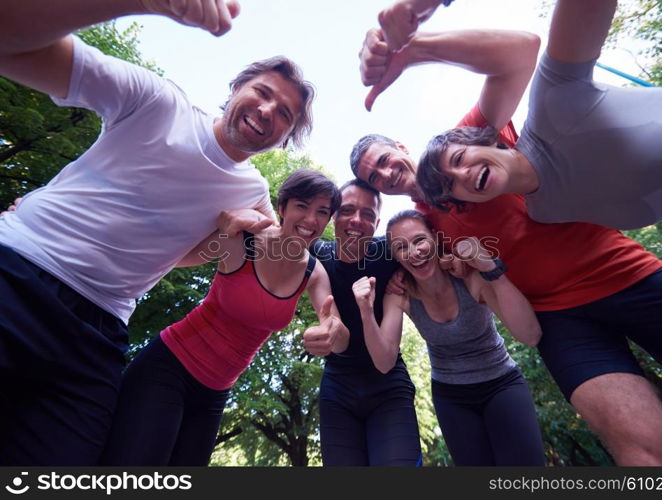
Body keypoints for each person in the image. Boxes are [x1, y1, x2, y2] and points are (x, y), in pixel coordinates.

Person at [351, 0, 662, 465]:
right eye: (375, 177)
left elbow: (520, 53)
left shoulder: (464, 145)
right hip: (560, 321)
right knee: (641, 450)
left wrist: (413, 49)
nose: (386, 173)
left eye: (385, 160)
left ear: (400, 146)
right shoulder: (423, 232)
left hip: (626, 275)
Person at [0, 0, 315, 465]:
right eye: (262, 91)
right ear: (235, 88)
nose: (268, 110)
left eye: (286, 114)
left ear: (285, 136)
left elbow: (214, 252)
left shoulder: (252, 190)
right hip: (20, 271)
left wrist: (225, 238)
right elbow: (10, 40)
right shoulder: (156, 102)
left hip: (99, 331)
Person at [100, 169, 348, 466]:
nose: (311, 219)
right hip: (168, 368)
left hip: (215, 394)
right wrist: (224, 221)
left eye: (322, 211)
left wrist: (331, 332)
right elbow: (173, 256)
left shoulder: (314, 272)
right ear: (282, 207)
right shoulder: (244, 238)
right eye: (302, 206)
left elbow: (338, 332)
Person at [415, 0, 662, 230]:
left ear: (488, 140)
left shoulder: (553, 104)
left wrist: (416, 40)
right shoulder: (545, 213)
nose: (462, 175)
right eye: (450, 184)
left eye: (458, 159)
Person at [352, 210, 545, 465]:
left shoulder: (469, 277)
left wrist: (488, 266)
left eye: (419, 240)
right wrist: (365, 311)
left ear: (434, 237)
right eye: (401, 247)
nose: (413, 252)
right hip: (451, 396)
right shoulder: (399, 293)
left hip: (502, 382)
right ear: (395, 256)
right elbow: (384, 361)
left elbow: (530, 334)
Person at [310, 179, 422, 466]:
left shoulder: (390, 251)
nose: (357, 221)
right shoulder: (317, 256)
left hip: (389, 384)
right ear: (333, 215)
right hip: (338, 386)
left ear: (377, 222)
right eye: (347, 210)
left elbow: (437, 235)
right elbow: (271, 236)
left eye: (368, 214)